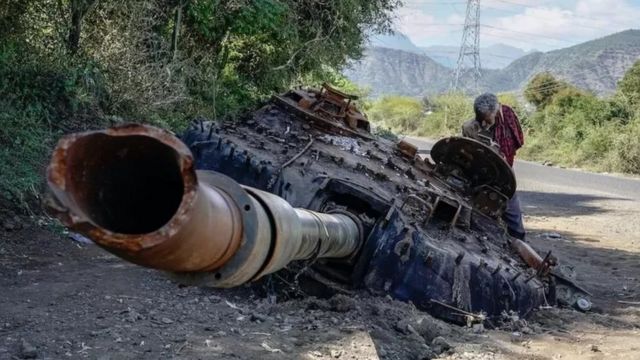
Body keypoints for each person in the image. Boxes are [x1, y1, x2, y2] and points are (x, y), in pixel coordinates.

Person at [462, 93, 526, 240]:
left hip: (502, 174)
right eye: (481, 118)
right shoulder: (469, 128)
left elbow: (512, 146)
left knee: (513, 214)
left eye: (488, 118)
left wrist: (496, 150)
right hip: (478, 173)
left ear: (495, 112)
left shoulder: (507, 119)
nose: (485, 122)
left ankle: (519, 243)